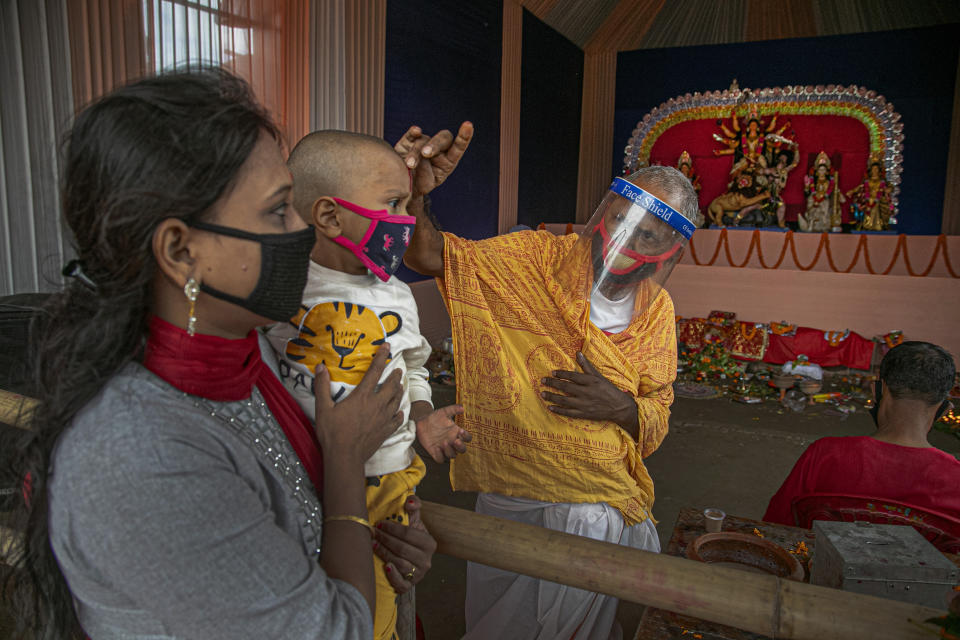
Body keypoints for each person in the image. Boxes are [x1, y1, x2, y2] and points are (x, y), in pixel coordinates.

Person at [4, 70, 436, 640]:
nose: (301, 232)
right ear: (182, 251)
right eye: (279, 210)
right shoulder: (143, 455)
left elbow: (301, 524)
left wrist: (383, 538)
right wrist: (346, 464)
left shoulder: (251, 359)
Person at [394, 121, 702, 640]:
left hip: (601, 502)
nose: (623, 241)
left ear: (669, 247)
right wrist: (416, 199)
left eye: (646, 234)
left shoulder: (656, 311)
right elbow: (428, 256)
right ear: (603, 213)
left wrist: (621, 406)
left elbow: (658, 409)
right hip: (515, 494)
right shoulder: (534, 259)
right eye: (620, 219)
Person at [266, 129, 471, 640]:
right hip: (298, 480)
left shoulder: (398, 295)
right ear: (330, 216)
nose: (405, 222)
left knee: (371, 614)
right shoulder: (279, 287)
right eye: (393, 204)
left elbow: (416, 366)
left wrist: (422, 415)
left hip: (388, 481)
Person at [763, 341, 960, 525]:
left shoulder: (826, 455)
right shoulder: (955, 478)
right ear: (945, 409)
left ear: (877, 391)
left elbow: (777, 525)